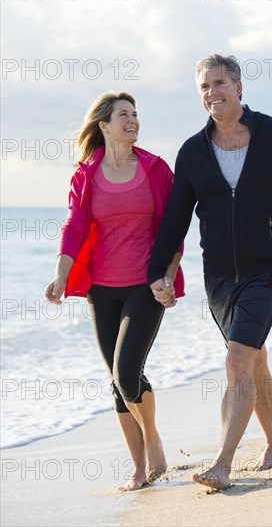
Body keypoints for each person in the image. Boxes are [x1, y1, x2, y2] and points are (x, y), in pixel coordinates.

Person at [147, 54, 272, 490]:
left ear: (239, 86)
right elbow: (176, 220)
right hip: (218, 277)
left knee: (237, 359)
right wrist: (155, 272)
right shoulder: (193, 152)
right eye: (203, 86)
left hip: (269, 268)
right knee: (254, 358)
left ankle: (222, 462)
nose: (212, 92)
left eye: (219, 83)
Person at [44, 91, 184, 491]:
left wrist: (168, 276)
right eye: (124, 114)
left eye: (136, 114)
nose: (133, 120)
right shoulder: (85, 174)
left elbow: (173, 227)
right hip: (101, 289)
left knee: (126, 373)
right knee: (117, 381)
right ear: (104, 125)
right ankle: (139, 470)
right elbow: (73, 227)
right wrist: (60, 275)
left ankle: (153, 440)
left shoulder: (156, 169)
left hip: (146, 284)